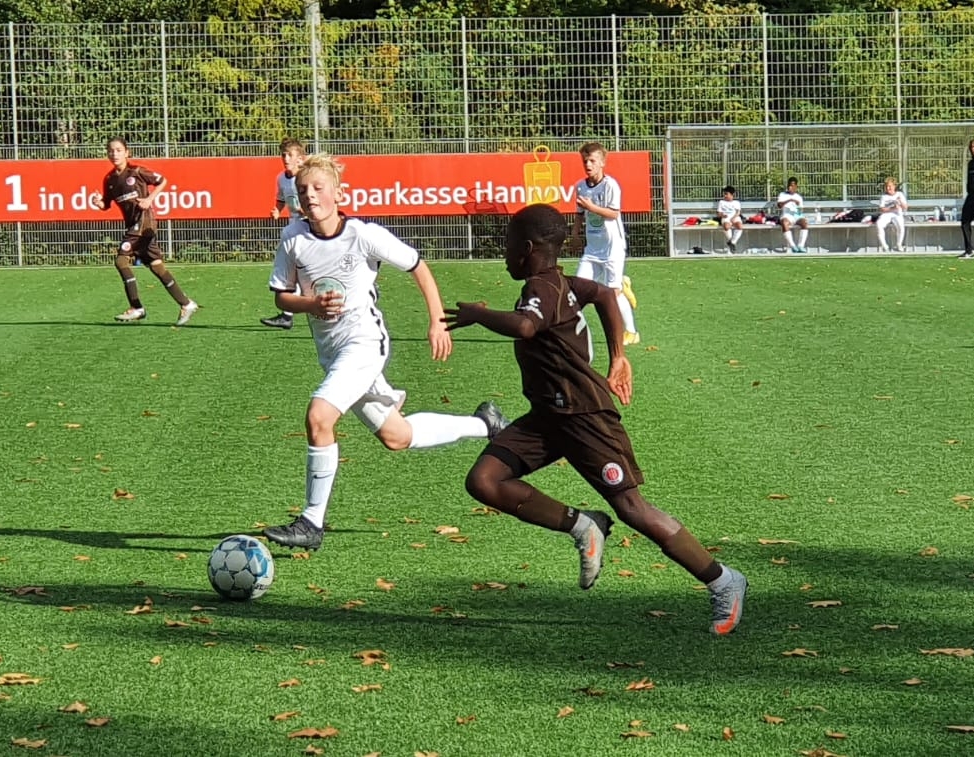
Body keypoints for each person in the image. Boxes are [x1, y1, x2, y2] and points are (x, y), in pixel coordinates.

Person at [443, 204, 748, 635]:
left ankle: (723, 581)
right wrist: (618, 356)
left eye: (509, 245)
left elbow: (526, 327)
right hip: (549, 415)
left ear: (527, 248)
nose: (505, 252)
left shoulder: (543, 287)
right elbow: (605, 294)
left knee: (632, 508)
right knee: (485, 480)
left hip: (585, 416)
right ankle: (583, 524)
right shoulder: (560, 283)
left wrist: (479, 314)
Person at [262, 154, 509, 552]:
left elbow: (417, 266)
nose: (310, 195)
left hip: (364, 344)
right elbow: (282, 296)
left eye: (319, 188)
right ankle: (485, 424)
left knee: (319, 416)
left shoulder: (363, 235)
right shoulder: (293, 239)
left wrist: (437, 321)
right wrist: (311, 305)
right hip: (332, 353)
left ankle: (311, 522)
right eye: (303, 190)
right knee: (397, 436)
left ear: (338, 194)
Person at [100, 138, 200, 325]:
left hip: (144, 222)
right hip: (133, 225)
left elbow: (162, 181)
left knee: (121, 260)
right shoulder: (109, 179)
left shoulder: (136, 171)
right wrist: (98, 203)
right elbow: (105, 204)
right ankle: (186, 304)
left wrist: (149, 199)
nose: (114, 154)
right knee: (156, 266)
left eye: (119, 150)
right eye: (111, 150)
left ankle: (136, 307)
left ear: (126, 152)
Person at [572, 142, 640, 346]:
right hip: (592, 249)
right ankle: (568, 332)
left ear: (602, 163)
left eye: (592, 161)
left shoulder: (610, 185)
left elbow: (613, 213)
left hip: (612, 248)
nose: (588, 165)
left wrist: (592, 206)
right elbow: (579, 214)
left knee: (613, 294)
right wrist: (575, 234)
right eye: (585, 161)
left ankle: (631, 332)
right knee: (578, 289)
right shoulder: (580, 186)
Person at [260, 137, 306, 330]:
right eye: (283, 155)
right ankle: (287, 315)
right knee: (294, 267)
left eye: (290, 155)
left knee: (303, 267)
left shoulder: (307, 177)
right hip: (294, 226)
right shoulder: (281, 178)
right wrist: (278, 210)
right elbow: (280, 199)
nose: (285, 158)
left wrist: (309, 210)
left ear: (300, 158)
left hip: (310, 226)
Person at [776, 177, 809, 253]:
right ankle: (793, 246)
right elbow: (779, 205)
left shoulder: (798, 197)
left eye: (792, 186)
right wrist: (790, 200)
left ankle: (801, 246)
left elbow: (800, 211)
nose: (790, 187)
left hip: (796, 215)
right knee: (784, 223)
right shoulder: (782, 194)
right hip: (786, 215)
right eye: (789, 185)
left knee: (804, 223)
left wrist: (798, 207)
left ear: (796, 187)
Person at [876, 177, 907, 253]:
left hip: (897, 214)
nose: (888, 188)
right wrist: (892, 208)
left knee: (901, 226)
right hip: (886, 214)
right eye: (887, 186)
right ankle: (885, 247)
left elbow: (905, 207)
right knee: (879, 224)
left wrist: (900, 202)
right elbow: (881, 209)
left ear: (894, 186)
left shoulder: (900, 194)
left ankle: (899, 245)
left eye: (890, 186)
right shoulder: (883, 196)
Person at [716, 185, 743, 254]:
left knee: (740, 226)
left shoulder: (736, 202)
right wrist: (722, 215)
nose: (725, 196)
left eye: (726, 194)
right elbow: (718, 213)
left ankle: (732, 242)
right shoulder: (721, 202)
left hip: (735, 216)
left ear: (732, 194)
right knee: (726, 226)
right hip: (726, 217)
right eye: (724, 194)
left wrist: (733, 218)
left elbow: (738, 212)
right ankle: (732, 243)